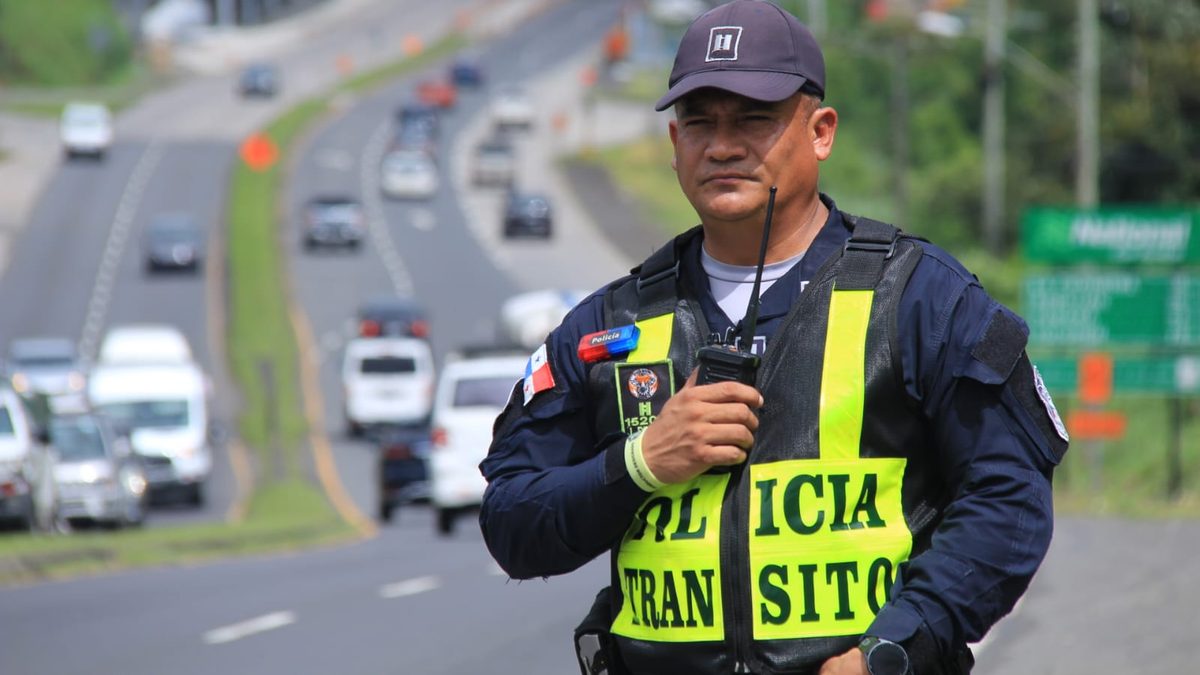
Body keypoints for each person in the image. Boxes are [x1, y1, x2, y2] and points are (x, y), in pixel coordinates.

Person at [479, 2, 1069, 673]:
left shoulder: (921, 297)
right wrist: (641, 463)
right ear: (675, 145)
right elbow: (511, 523)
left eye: (754, 117)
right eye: (700, 120)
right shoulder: (607, 326)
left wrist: (891, 646)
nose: (723, 144)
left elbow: (1009, 499)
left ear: (821, 132)